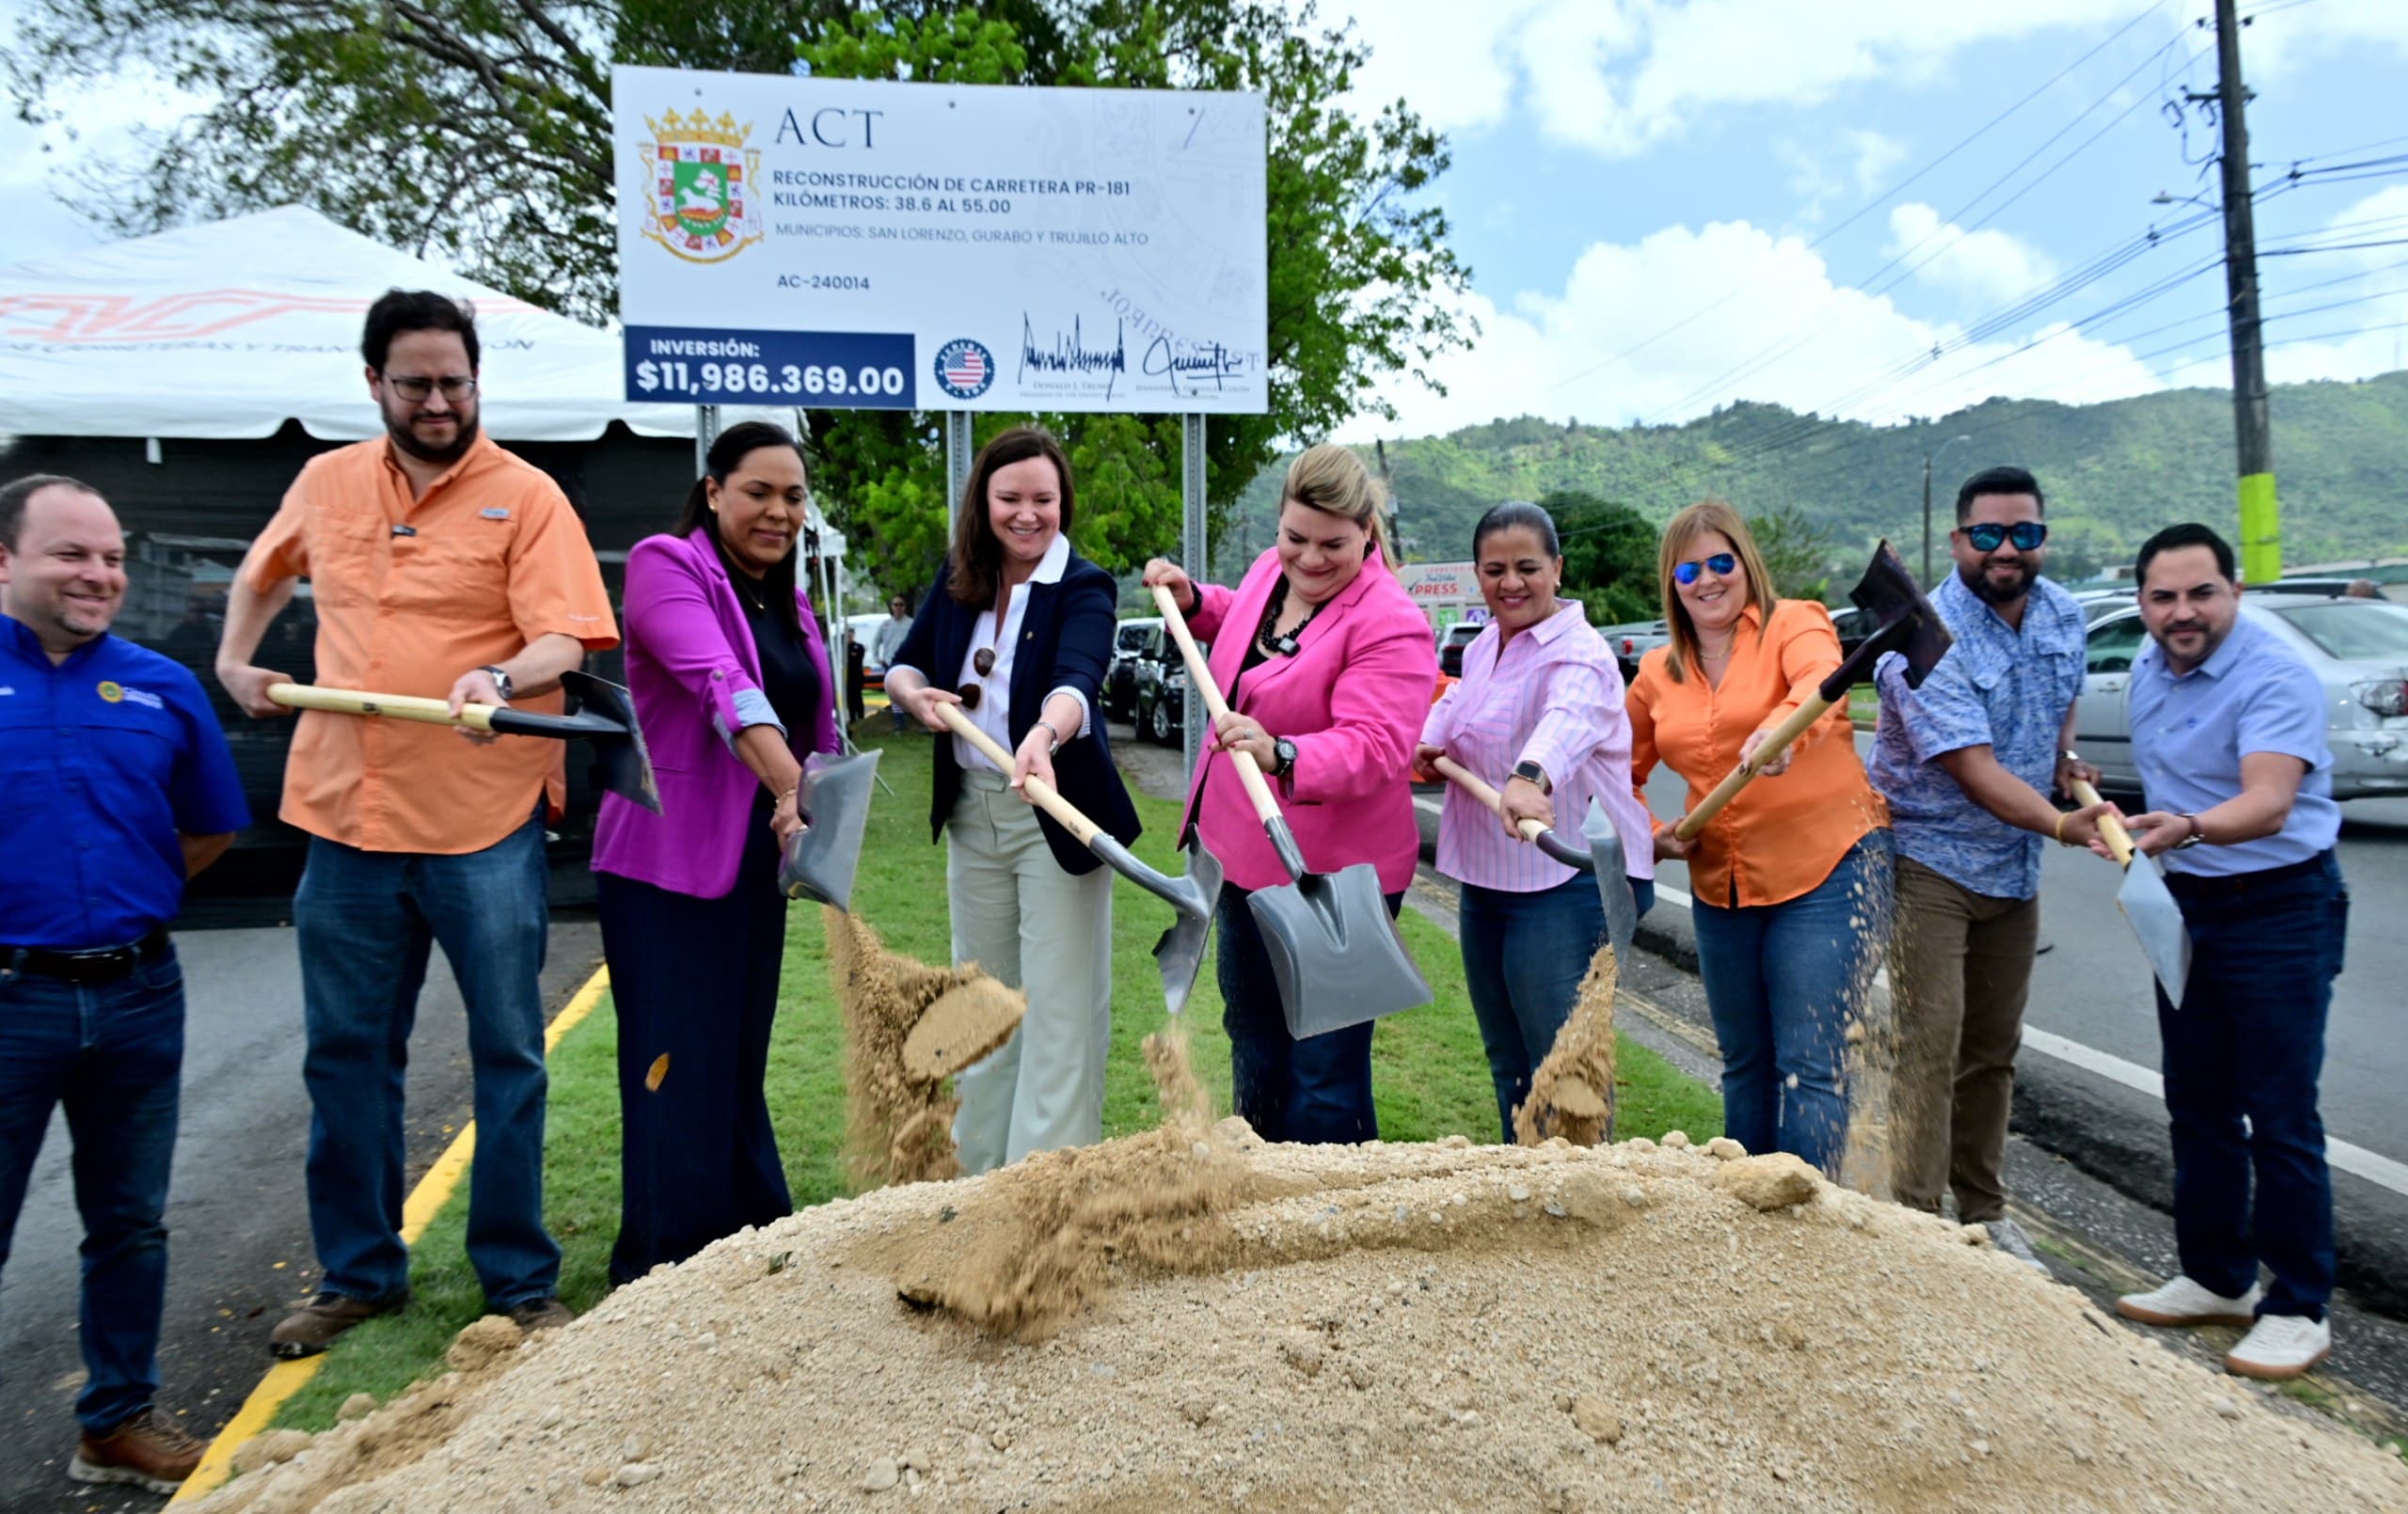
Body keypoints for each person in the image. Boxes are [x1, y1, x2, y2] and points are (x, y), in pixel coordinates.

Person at [215, 289, 618, 1354]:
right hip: (345, 815)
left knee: (508, 1052)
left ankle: (518, 1278)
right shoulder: (325, 482)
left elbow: (567, 640)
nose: (437, 400)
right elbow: (261, 575)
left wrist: (497, 670)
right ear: (374, 384)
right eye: (415, 383)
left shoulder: (525, 496)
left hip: (480, 821)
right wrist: (231, 660)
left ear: (477, 381)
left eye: (454, 381)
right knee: (346, 1054)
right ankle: (357, 1272)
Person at [0, 476, 248, 1494]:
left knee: (131, 1220)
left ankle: (115, 1420)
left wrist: (118, 908)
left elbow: (208, 826)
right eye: (71, 554)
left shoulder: (162, 685)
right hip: (10, 1001)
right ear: (6, 560)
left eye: (109, 556)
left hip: (141, 991)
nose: (99, 574)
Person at [589, 421, 837, 1285]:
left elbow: (817, 720)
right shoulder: (668, 565)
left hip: (753, 869)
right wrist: (784, 788)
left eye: (794, 496)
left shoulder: (789, 598)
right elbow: (720, 684)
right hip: (665, 869)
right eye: (759, 492)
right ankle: (664, 1272)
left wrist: (824, 807)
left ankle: (749, 1241)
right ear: (713, 490)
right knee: (673, 1069)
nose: (778, 511)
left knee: (735, 1060)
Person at [1141, 444, 1437, 1144]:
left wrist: (1283, 751)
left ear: (1368, 531)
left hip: (1333, 878)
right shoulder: (1270, 571)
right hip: (1244, 858)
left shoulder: (1389, 621)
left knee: (1324, 1065)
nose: (1308, 559)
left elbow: (1377, 746)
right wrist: (1195, 604)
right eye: (1295, 538)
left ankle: (1328, 1218)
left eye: (1333, 544)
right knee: (1253, 1037)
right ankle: (1260, 1185)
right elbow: (1247, 621)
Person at [2108, 523, 2349, 1382]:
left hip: (2279, 906)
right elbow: (2174, 783)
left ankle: (2299, 1306)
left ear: (2233, 593)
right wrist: (2113, 807)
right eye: (2164, 597)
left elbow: (2270, 801)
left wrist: (2190, 830)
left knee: (2281, 1114)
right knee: (2198, 1101)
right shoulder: (2146, 666)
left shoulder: (2274, 673)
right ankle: (2216, 1276)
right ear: (2141, 603)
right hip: (2187, 902)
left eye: (2201, 593)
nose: (2183, 612)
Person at [1865, 466, 2115, 1268]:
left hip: (2013, 872)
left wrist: (2066, 758)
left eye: (2025, 534)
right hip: (1927, 860)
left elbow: (2061, 701)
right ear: (1958, 539)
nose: (2007, 549)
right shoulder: (1923, 639)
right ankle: (1918, 1223)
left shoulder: (2066, 614)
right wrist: (2062, 823)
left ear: (2043, 538)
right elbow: (1972, 769)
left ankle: (1984, 1210)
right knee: (1930, 1042)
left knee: (1992, 1050)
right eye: (1989, 534)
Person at [884, 427, 1138, 1173]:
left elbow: (1077, 677)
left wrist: (1044, 733)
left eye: (1043, 499)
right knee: (985, 1011)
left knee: (1060, 1020)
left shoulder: (1085, 585)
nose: (1027, 514)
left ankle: (1038, 1206)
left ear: (1063, 503)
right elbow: (905, 666)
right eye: (1009, 499)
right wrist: (912, 693)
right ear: (983, 502)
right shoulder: (964, 573)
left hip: (1053, 817)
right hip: (971, 814)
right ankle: (975, 1193)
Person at [1625, 500, 1892, 1175]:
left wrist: (1779, 730)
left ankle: (1806, 1229)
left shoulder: (1796, 621)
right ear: (1672, 579)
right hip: (1722, 885)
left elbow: (1816, 682)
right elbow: (1613, 770)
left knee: (1811, 1063)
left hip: (1828, 868)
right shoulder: (1657, 670)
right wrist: (1654, 833)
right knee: (1745, 1064)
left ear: (1746, 564)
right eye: (1691, 567)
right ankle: (1744, 1213)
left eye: (1723, 561)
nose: (1708, 579)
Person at [1415, 500, 1656, 1142]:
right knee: (1510, 1064)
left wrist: (1530, 777)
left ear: (1557, 567)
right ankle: (1524, 1194)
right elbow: (1461, 703)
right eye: (1495, 570)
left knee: (1563, 1069)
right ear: (1477, 575)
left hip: (1565, 880)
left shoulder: (1581, 653)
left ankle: (1577, 1209)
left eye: (1527, 567)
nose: (1511, 583)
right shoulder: (1488, 642)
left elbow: (1568, 719)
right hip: (1490, 878)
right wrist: (1430, 739)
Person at [876, 593, 914, 732]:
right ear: (891, 607)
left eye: (901, 605)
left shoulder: (910, 623)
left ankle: (910, 715)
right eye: (895, 604)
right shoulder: (885, 624)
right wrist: (877, 658)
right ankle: (899, 721)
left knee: (906, 689)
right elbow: (876, 641)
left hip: (905, 662)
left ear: (905, 607)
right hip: (888, 662)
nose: (898, 607)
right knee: (892, 692)